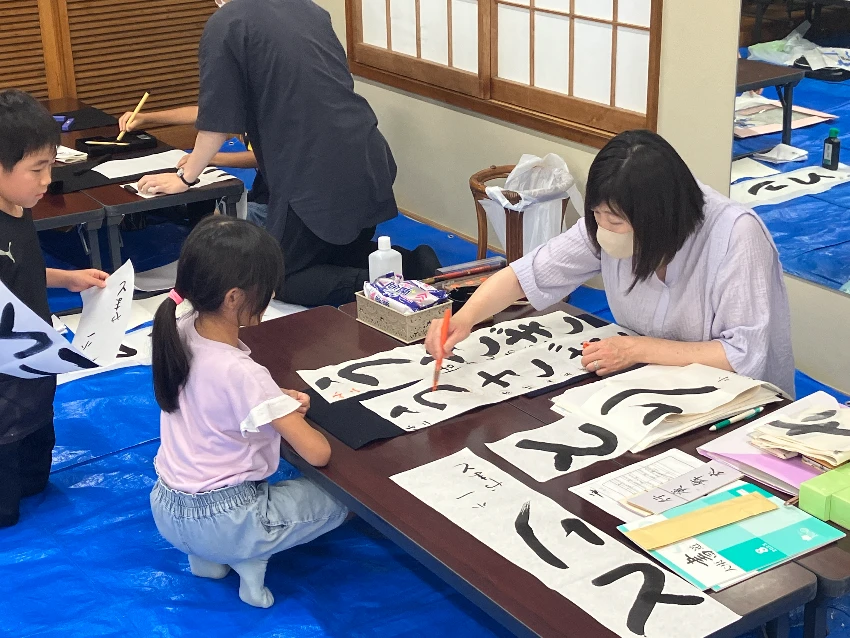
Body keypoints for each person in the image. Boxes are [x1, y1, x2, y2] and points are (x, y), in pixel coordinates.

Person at [425, 130, 795, 397]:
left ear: (657, 219)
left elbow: (742, 355)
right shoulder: (606, 218)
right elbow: (531, 274)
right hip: (651, 386)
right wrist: (464, 319)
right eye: (597, 215)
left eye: (615, 221)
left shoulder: (735, 237)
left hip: (736, 402)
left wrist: (635, 350)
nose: (603, 230)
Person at [134, 0, 440, 306]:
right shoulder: (306, 8)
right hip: (368, 155)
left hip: (316, 171)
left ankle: (407, 281)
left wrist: (185, 179)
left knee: (278, 279)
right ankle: (413, 264)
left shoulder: (228, 23)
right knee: (337, 251)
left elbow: (215, 122)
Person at [149, 215, 348, 608]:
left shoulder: (178, 328)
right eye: (268, 288)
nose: (272, 294)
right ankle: (248, 559)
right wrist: (286, 413)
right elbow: (317, 453)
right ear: (235, 297)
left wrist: (274, 403)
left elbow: (215, 400)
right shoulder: (243, 374)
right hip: (229, 521)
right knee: (347, 503)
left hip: (167, 511)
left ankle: (206, 558)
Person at [0, 89, 109, 528]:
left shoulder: (19, 206)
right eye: (37, 169)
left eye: (51, 165)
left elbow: (24, 267)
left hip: (36, 371)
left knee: (36, 480)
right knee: (7, 512)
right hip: (6, 375)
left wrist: (68, 278)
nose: (47, 181)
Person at [118, 107, 270, 226]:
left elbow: (268, 157)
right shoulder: (248, 94)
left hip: (280, 205)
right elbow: (206, 113)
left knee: (220, 225)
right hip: (264, 189)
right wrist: (146, 118)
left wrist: (208, 158)